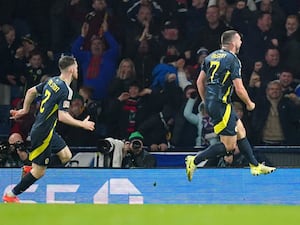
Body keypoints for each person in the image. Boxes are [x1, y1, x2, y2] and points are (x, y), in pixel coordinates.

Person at [185, 30, 276, 182]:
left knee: (241, 131)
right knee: (229, 147)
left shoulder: (210, 56)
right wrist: (249, 103)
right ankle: (194, 160)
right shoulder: (232, 60)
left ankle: (255, 166)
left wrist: (206, 101)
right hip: (221, 105)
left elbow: (200, 82)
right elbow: (239, 89)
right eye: (239, 40)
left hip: (218, 103)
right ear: (233, 42)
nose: (241, 42)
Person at [2, 55, 95, 203]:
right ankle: (11, 195)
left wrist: (25, 110)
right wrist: (82, 124)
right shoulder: (66, 89)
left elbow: (31, 91)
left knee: (66, 156)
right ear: (71, 69)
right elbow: (62, 116)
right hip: (43, 132)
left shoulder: (51, 81)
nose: (77, 70)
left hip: (45, 129)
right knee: (39, 172)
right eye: (76, 67)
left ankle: (31, 166)